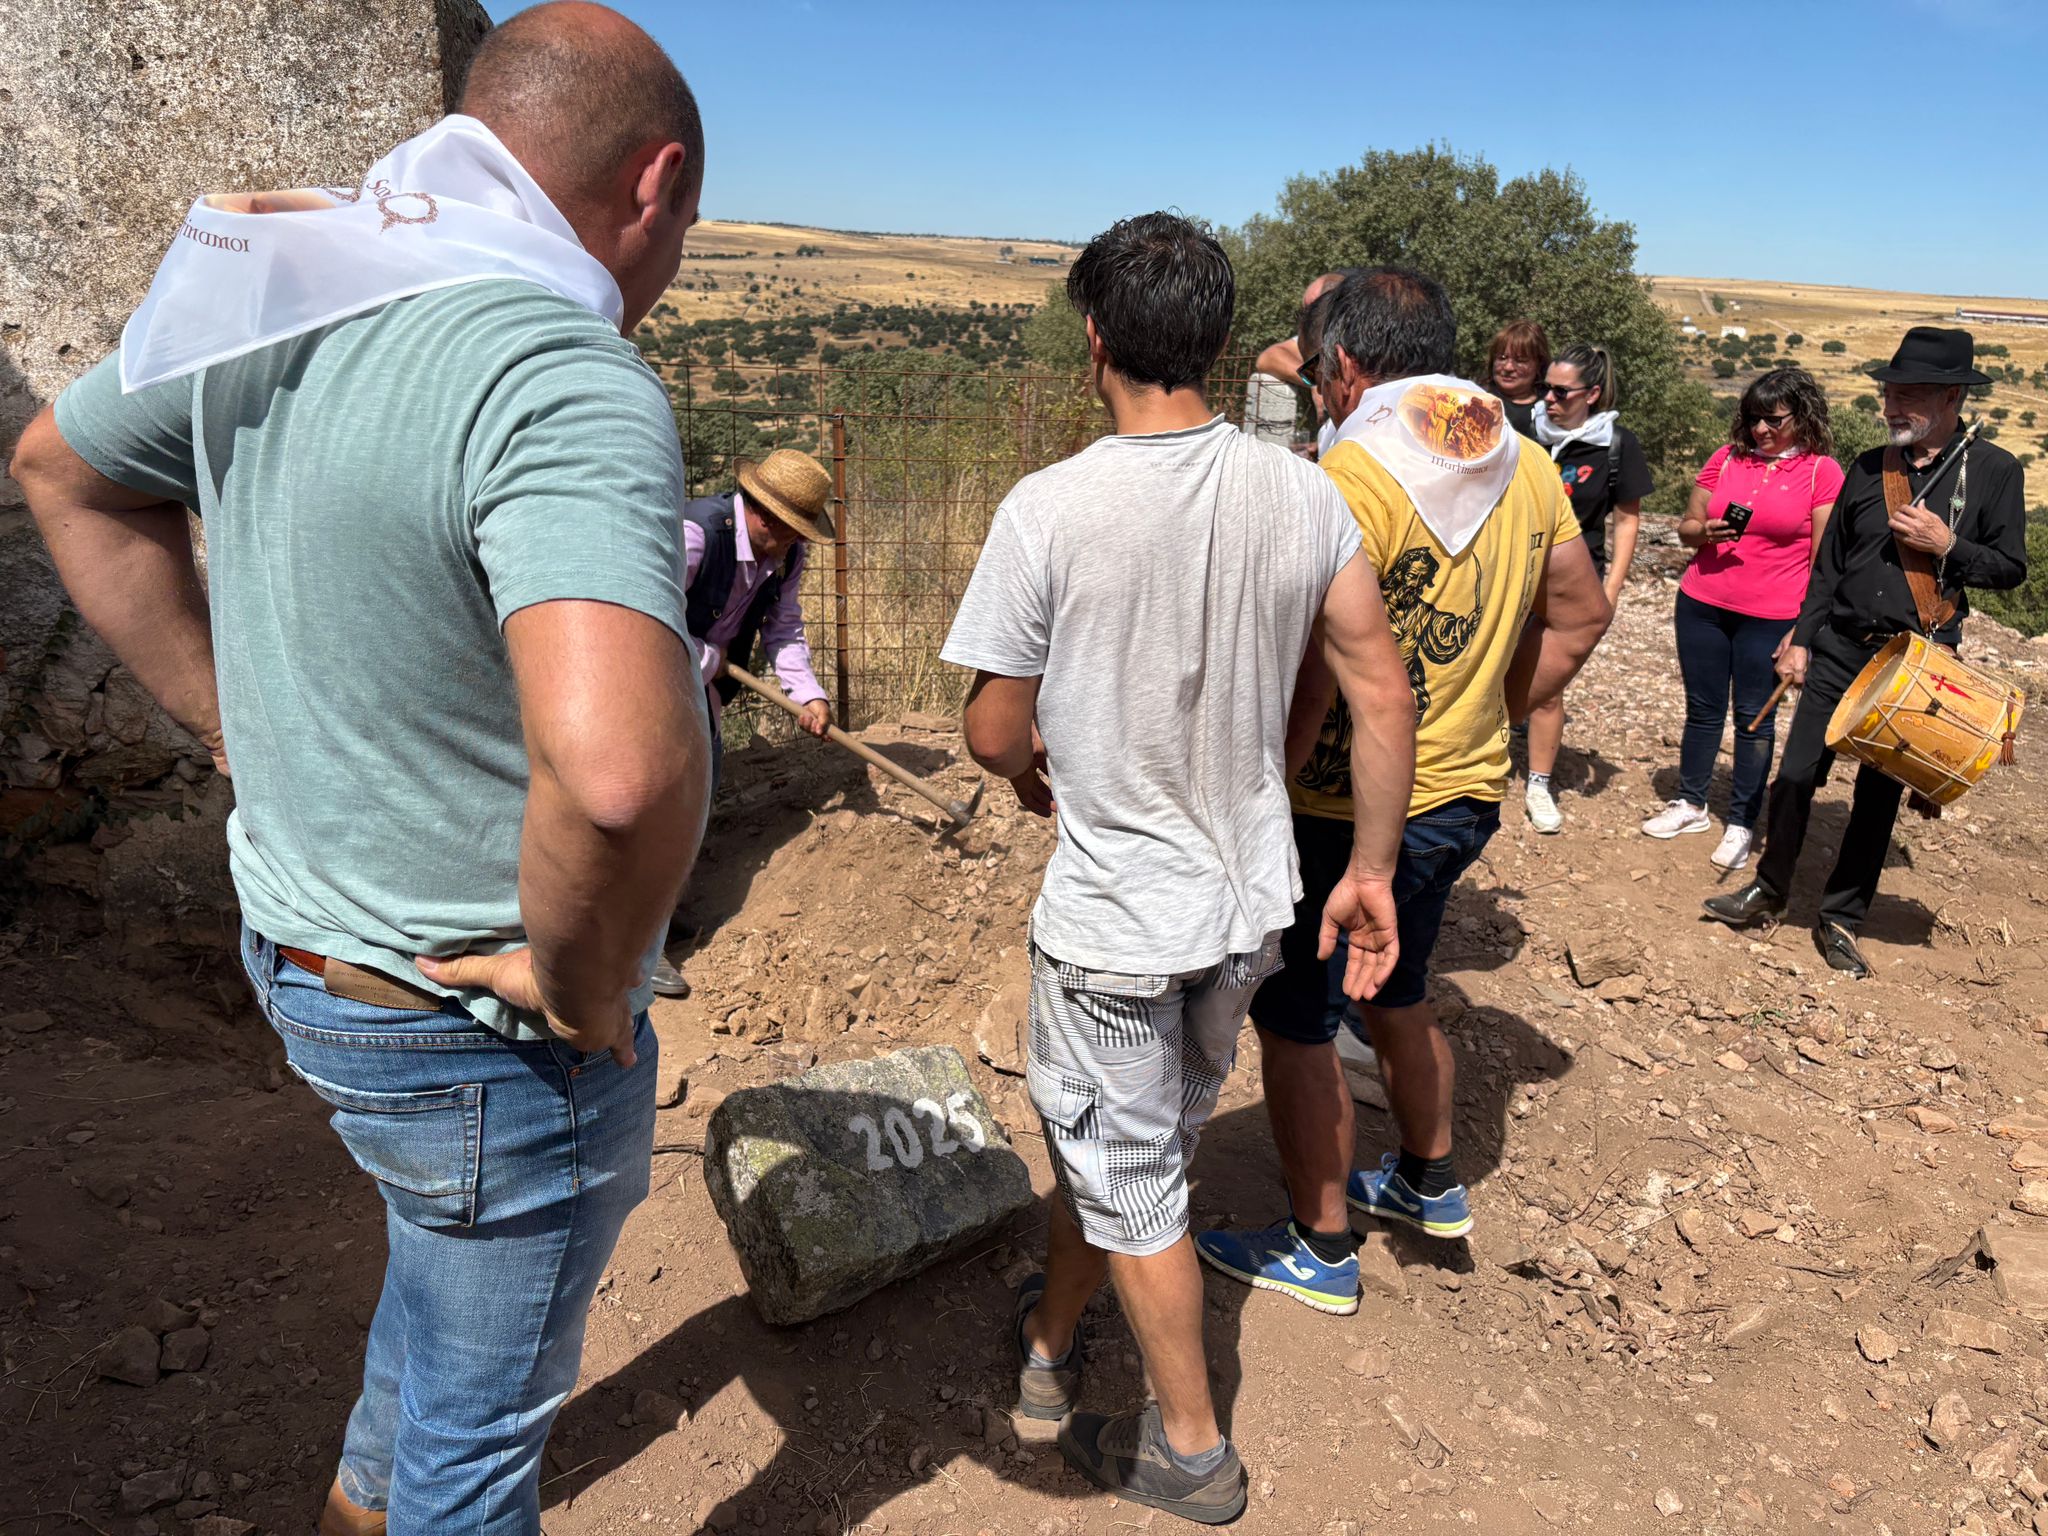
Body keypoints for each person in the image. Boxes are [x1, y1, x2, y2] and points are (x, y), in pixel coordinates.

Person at [11, 7, 713, 1530]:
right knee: (483, 1436)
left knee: (441, 1293)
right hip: (471, 1023)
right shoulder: (556, 371)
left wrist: (230, 720)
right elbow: (618, 782)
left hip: (308, 957)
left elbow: (58, 468)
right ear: (653, 187)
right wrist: (591, 992)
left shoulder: (284, 295)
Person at [942, 215, 1416, 1526]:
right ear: (1216, 340)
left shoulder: (1049, 507)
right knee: (1134, 1150)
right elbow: (1379, 691)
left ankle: (1194, 1454)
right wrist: (1368, 865)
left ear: (1096, 338)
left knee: (1135, 1180)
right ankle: (1048, 1340)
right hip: (1251, 905)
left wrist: (1036, 765)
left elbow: (991, 730)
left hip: (1114, 923)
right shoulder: (1307, 494)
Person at [1194, 268, 1610, 1314]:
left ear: (1340, 367)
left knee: (1295, 1020)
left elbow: (1301, 672)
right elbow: (1581, 613)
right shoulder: (1518, 461)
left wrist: (1255, 794)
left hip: (1338, 809)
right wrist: (1496, 710)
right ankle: (1429, 1182)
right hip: (1460, 797)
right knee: (1403, 986)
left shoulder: (1342, 478)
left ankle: (1320, 1243)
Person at [1704, 327, 2027, 977]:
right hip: (1839, 649)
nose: (1891, 405)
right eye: (1889, 392)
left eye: (1908, 394)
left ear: (1952, 396)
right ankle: (1769, 890)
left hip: (1917, 665)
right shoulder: (1865, 467)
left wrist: (1948, 545)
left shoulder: (1994, 472)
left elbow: (2011, 568)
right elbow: (1828, 569)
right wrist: (1801, 637)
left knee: (1877, 803)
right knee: (1796, 776)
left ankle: (1841, 918)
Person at [650, 448, 834, 997]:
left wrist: (807, 693)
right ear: (763, 515)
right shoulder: (695, 536)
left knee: (696, 801)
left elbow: (785, 629)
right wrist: (708, 657)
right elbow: (641, 619)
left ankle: (659, 913)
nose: (799, 541)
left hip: (702, 689)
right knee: (652, 805)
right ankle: (640, 949)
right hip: (648, 684)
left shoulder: (785, 558)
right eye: (794, 530)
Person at [1642, 369, 1842, 871]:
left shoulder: (1822, 473)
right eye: (1753, 418)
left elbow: (1824, 561)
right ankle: (1690, 803)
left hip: (1771, 615)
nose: (1760, 430)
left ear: (1803, 416)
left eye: (1773, 420)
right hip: (1702, 603)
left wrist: (1804, 631)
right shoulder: (1725, 458)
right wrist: (1702, 531)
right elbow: (1687, 527)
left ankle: (1742, 822)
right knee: (1703, 709)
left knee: (1755, 720)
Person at [1522, 342, 1653, 832]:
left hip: (1572, 582)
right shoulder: (1522, 432)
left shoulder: (1616, 444)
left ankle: (1538, 783)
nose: (1548, 399)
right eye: (1544, 388)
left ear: (1592, 393)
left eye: (1559, 391)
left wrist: (1611, 589)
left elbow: (1627, 519)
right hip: (1510, 570)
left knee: (1548, 684)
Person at [1487, 318, 1550, 438]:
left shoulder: (1551, 405)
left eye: (1520, 360)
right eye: (1502, 358)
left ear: (1539, 364)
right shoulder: (1480, 399)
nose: (1508, 367)